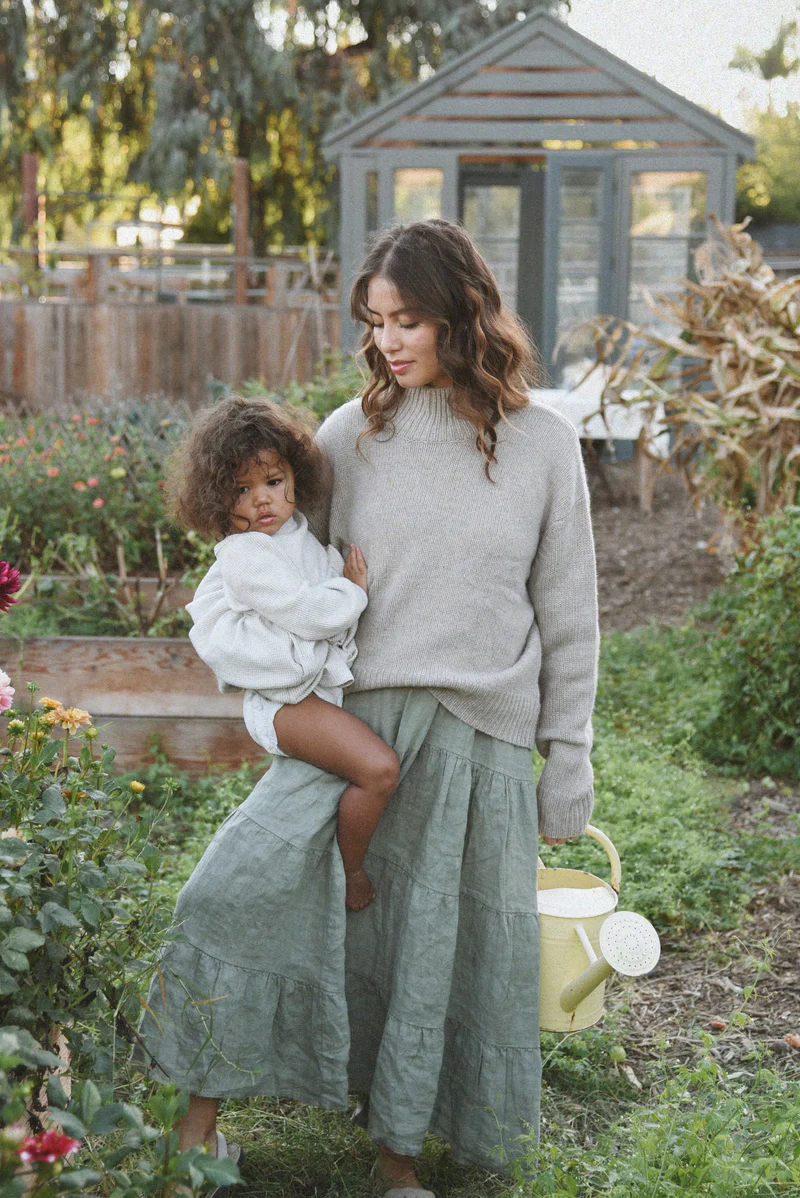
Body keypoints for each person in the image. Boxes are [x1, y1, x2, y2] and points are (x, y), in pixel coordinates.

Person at [137, 218, 598, 1198]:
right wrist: (270, 691)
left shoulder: (543, 447)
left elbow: (569, 615)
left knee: (429, 950)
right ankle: (195, 1129)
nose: (388, 341)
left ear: (461, 315)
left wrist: (569, 755)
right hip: (358, 732)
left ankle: (397, 1164)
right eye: (376, 322)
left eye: (409, 321)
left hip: (478, 736)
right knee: (231, 894)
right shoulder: (350, 436)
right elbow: (275, 568)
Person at [171, 396, 400, 913]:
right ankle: (350, 871)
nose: (262, 501)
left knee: (349, 778)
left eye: (273, 482)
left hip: (306, 690)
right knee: (379, 769)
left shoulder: (295, 534)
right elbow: (308, 612)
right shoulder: (245, 553)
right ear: (216, 498)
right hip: (284, 703)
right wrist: (353, 591)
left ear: (295, 477)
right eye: (242, 489)